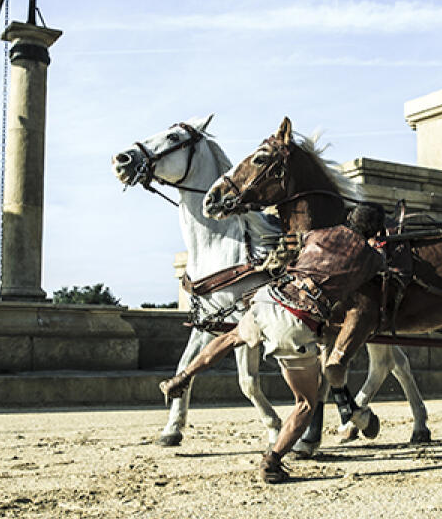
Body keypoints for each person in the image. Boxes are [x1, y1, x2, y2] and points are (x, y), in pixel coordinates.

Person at [159, 204, 388, 484]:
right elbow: (384, 269)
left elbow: (295, 243)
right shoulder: (369, 257)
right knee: (306, 402)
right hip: (295, 321)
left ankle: (182, 377)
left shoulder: (319, 235)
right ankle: (272, 461)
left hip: (269, 299)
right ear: (373, 230)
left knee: (231, 337)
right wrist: (378, 245)